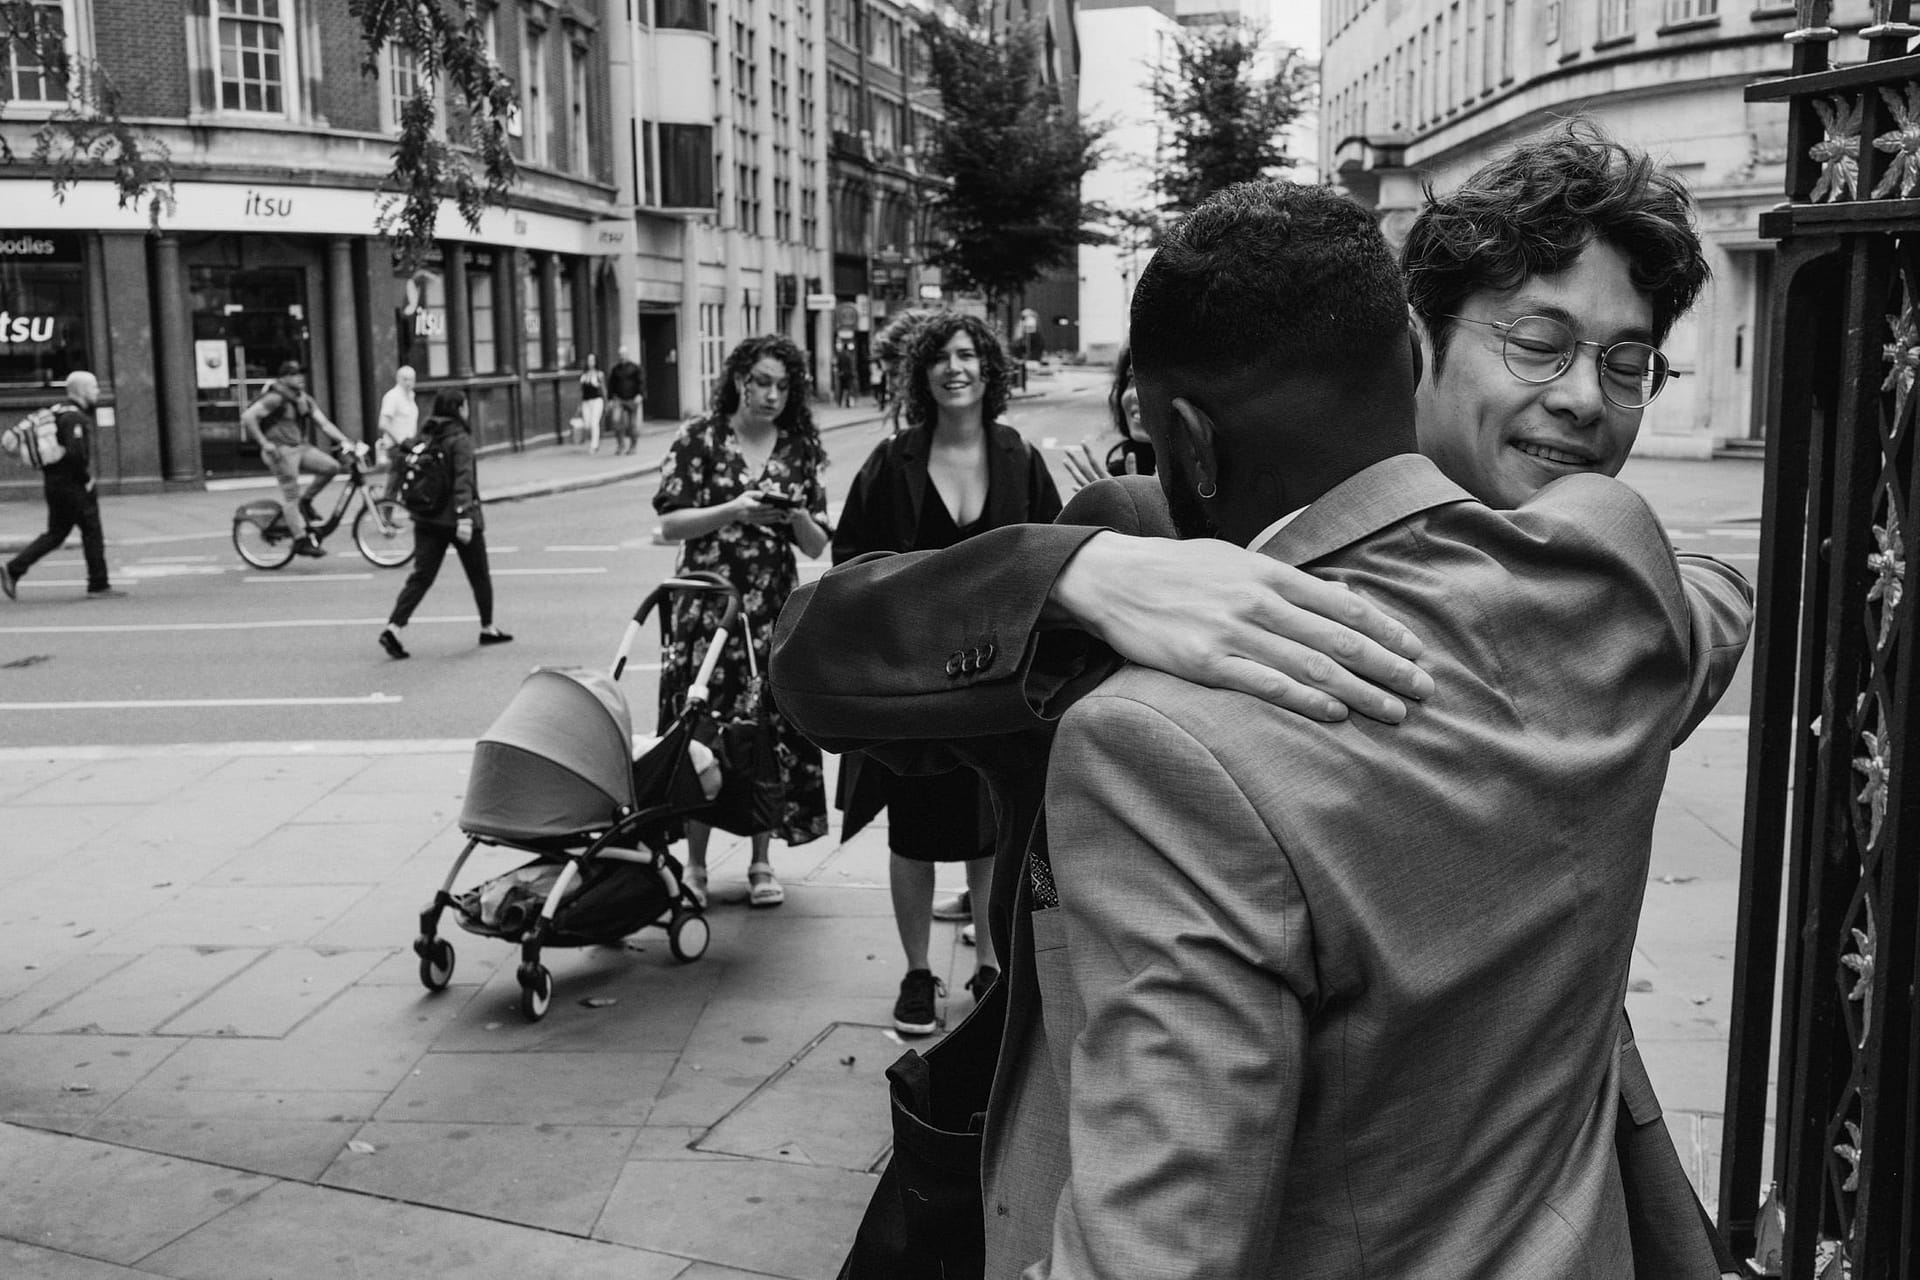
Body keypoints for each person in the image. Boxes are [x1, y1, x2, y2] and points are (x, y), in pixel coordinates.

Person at [772, 122, 1747, 1279]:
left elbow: (1719, 590)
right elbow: (815, 654)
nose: (1586, 399)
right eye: (1538, 343)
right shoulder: (1154, 551)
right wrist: (1075, 575)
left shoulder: (1605, 570)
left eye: (1628, 362)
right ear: (1415, 344)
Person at [834, 312, 1063, 1036]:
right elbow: (850, 561)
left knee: (994, 826)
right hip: (914, 686)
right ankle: (917, 973)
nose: (955, 367)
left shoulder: (1018, 455)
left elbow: (1055, 553)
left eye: (968, 355)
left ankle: (991, 964)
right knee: (914, 827)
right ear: (922, 375)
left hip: (998, 683)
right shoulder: (891, 461)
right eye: (940, 357)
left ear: (989, 371)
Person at [654, 335, 832, 908]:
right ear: (738, 379)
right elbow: (670, 524)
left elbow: (815, 545)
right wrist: (736, 508)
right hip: (706, 612)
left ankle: (761, 862)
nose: (772, 394)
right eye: (761, 381)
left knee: (763, 733)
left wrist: (796, 514)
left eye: (783, 385)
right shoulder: (699, 438)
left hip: (770, 613)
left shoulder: (799, 446)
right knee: (700, 729)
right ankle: (697, 867)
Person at [378, 388, 512, 658]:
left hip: (426, 516)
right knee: (479, 575)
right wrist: (464, 515)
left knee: (421, 577)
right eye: (465, 405)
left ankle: (393, 627)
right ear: (459, 408)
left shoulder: (427, 434)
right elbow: (464, 479)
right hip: (457, 519)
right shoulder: (460, 439)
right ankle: (487, 627)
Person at [1, 370, 123, 601]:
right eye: (95, 388)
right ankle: (98, 584)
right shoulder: (74, 418)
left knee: (56, 533)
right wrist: (86, 481)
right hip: (72, 484)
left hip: (54, 482)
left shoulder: (58, 412)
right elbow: (76, 455)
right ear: (83, 391)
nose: (97, 392)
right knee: (91, 531)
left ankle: (14, 569)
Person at [239, 360, 365, 558]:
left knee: (331, 467)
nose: (299, 377)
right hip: (280, 451)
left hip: (300, 448)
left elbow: (323, 424)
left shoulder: (303, 399)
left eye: (300, 374)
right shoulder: (275, 398)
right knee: (291, 495)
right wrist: (264, 443)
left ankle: (306, 502)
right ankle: (300, 540)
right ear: (283, 378)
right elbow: (248, 417)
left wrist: (346, 441)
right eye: (294, 374)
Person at [1063, 345, 1153, 489]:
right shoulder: (1121, 475)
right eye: (1131, 379)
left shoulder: (1198, 479)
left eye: (1151, 383)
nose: (1135, 395)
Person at [375, 365, 419, 499]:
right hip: (397, 447)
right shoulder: (393, 397)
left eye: (411, 380)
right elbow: (383, 423)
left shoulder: (410, 397)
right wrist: (400, 441)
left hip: (408, 446)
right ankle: (384, 515)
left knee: (406, 481)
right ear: (398, 379)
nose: (409, 383)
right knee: (395, 482)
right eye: (405, 379)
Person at [606, 347, 645, 456]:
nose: (622, 356)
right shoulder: (615, 369)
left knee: (632, 425)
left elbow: (641, 382)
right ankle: (620, 445)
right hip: (619, 399)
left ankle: (633, 446)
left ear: (628, 355)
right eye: (620, 354)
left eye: (624, 354)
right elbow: (611, 384)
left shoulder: (635, 368)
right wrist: (610, 399)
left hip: (632, 399)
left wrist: (640, 395)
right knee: (616, 421)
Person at [578, 353, 607, 453]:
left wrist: (606, 403)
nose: (590, 362)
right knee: (587, 424)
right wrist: (579, 405)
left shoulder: (599, 374)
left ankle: (594, 445)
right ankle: (593, 440)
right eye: (589, 360)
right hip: (586, 401)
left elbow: (603, 389)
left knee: (594, 422)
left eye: (592, 360)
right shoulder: (584, 376)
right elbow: (581, 391)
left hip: (597, 401)